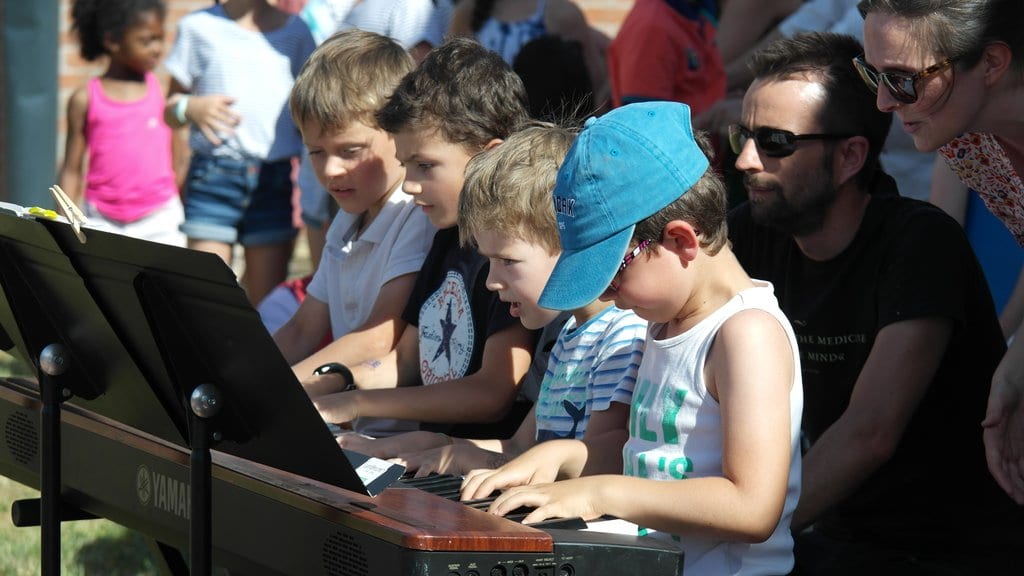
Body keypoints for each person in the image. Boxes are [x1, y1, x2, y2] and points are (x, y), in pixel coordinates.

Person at [461, 102, 804, 576]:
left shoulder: (746, 334)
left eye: (612, 271)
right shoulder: (660, 322)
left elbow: (752, 507)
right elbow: (644, 461)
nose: (605, 292)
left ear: (681, 241)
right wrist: (564, 457)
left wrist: (602, 493)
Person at [726, 31, 1022, 574]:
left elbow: (870, 433)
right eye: (741, 135)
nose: (746, 160)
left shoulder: (919, 243)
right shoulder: (752, 229)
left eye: (776, 142)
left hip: (948, 549)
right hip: (832, 531)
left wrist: (738, 532)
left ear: (850, 157)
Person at [340, 123, 647, 477]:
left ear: (572, 247)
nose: (490, 281)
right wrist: (426, 447)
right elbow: (519, 448)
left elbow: (595, 469)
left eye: (508, 261)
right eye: (489, 262)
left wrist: (475, 459)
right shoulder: (568, 338)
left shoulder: (621, 337)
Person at [308, 37, 537, 440]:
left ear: (490, 156)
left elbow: (493, 392)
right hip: (424, 456)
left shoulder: (512, 257)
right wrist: (336, 383)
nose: (410, 186)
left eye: (425, 166)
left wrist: (359, 402)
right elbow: (406, 360)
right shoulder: (446, 239)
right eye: (406, 167)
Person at [857, 0, 1024, 506]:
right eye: (872, 75)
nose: (884, 102)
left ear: (993, 63)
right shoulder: (967, 141)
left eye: (904, 79)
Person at [270, 30, 434, 392]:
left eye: (350, 150)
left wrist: (272, 389)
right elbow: (301, 329)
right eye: (316, 152)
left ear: (400, 132)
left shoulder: (416, 216)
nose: (330, 170)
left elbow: (378, 337)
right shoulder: (346, 221)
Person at [163, 0, 316, 306]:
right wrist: (189, 107)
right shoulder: (197, 27)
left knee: (266, 303)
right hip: (213, 177)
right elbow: (169, 109)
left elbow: (312, 105)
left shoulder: (297, 32)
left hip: (273, 181)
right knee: (206, 297)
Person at [58, 0, 185, 247]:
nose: (158, 49)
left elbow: (178, 157)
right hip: (100, 220)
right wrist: (65, 224)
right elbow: (71, 169)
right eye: (147, 40)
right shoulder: (85, 98)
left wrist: (170, 203)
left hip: (160, 221)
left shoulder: (160, 93)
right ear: (112, 41)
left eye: (160, 39)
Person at [448, 0, 608, 109]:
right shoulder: (467, 12)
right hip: (483, 131)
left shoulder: (561, 13)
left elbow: (594, 85)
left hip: (547, 134)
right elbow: (450, 80)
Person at [605, 0, 725, 115]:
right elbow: (644, 128)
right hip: (685, 134)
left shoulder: (696, 9)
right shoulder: (652, 28)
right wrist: (714, 117)